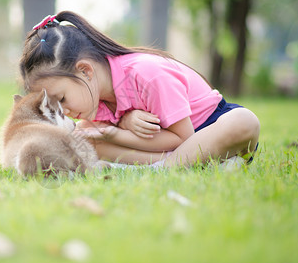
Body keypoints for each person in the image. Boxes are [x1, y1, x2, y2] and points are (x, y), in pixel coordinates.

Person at [19, 11, 260, 167]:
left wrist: (115, 132)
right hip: (170, 147)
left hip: (205, 129)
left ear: (85, 71)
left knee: (244, 121)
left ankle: (165, 168)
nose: (64, 111)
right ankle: (201, 164)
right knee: (84, 139)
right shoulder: (94, 98)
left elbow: (183, 138)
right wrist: (122, 123)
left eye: (61, 99)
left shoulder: (147, 74)